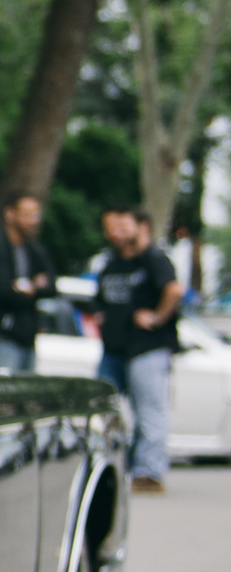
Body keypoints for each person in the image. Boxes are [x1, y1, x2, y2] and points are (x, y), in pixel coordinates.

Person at [95, 206, 183, 495]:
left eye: (123, 227)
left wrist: (157, 317)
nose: (116, 233)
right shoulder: (114, 263)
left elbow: (174, 289)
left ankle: (149, 473)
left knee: (149, 410)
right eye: (112, 228)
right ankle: (108, 466)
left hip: (147, 348)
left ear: (142, 227)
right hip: (114, 349)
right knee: (103, 409)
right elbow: (100, 299)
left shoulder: (154, 260)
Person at [0, 192, 52, 373]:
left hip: (28, 338)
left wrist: (25, 288)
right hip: (3, 337)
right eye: (27, 214)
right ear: (10, 214)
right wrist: (33, 287)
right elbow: (1, 290)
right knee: (3, 388)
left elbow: (52, 284)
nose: (33, 220)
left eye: (35, 215)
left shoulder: (33, 249)